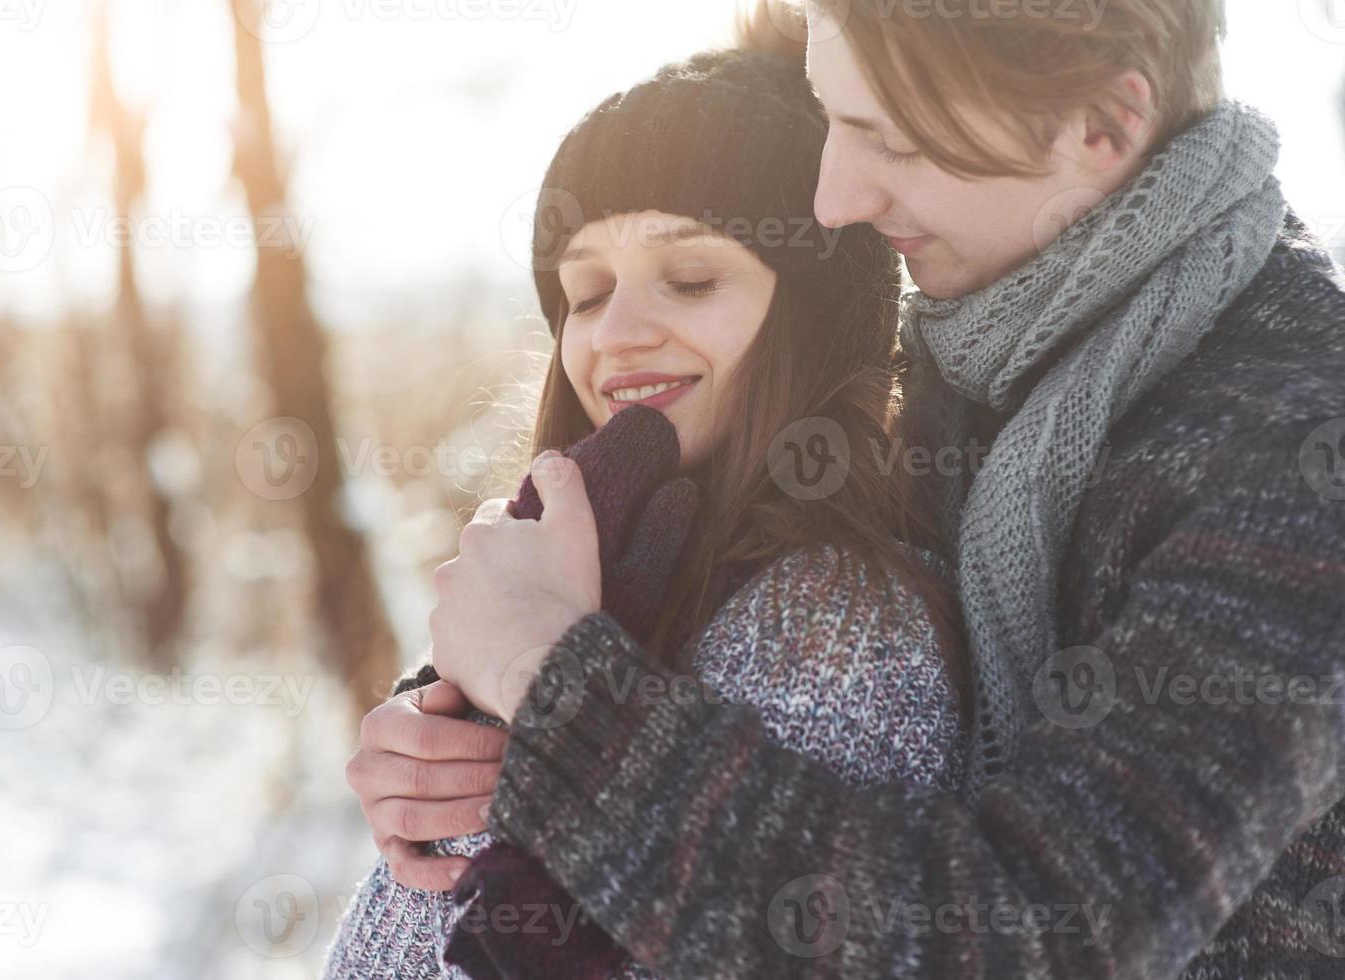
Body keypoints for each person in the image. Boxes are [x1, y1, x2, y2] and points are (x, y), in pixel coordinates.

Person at [356, 0, 1345, 976]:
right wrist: (451, 721)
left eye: (886, 137)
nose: (835, 196)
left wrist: (544, 673)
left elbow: (1032, 934)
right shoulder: (978, 351)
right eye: (831, 118)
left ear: (1103, 125)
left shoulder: (1294, 458)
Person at [328, 19, 973, 979]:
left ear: (817, 315)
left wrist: (530, 677)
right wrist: (443, 730)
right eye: (585, 294)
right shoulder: (610, 560)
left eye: (690, 277)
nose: (617, 334)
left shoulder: (833, 628)